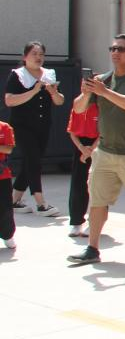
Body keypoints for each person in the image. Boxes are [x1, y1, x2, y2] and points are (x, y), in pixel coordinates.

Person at [68, 34, 125, 265]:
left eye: (122, 49)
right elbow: (78, 109)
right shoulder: (101, 81)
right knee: (97, 201)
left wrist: (104, 92)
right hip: (105, 151)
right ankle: (92, 248)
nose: (115, 52)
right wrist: (87, 93)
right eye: (113, 48)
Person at [6, 41, 65, 216]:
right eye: (34, 54)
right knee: (33, 160)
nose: (38, 57)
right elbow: (9, 101)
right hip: (22, 126)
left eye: (41, 54)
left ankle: (13, 200)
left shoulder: (49, 74)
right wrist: (34, 90)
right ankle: (41, 203)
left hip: (43, 125)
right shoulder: (17, 75)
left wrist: (53, 92)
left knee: (31, 161)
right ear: (25, 57)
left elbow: (60, 101)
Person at [66, 93, 100, 238]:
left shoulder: (102, 106)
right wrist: (82, 149)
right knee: (77, 183)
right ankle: (76, 222)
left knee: (97, 186)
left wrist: (91, 150)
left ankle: (95, 222)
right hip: (80, 146)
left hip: (98, 145)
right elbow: (72, 132)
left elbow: (103, 132)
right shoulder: (78, 106)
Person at [0, 118, 15, 251]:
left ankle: (8, 236)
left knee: (5, 207)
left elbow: (8, 149)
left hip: (3, 176)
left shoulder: (5, 127)